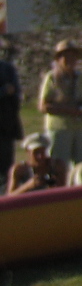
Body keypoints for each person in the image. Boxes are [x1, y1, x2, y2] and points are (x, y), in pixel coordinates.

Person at [38, 39, 82, 167]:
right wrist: (69, 110)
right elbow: (43, 106)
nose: (70, 60)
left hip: (80, 127)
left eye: (73, 56)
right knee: (58, 165)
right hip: (59, 128)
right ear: (58, 59)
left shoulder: (81, 77)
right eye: (66, 56)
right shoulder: (51, 78)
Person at [0, 36, 22, 179]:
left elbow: (16, 93)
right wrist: (3, 91)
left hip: (5, 124)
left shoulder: (8, 69)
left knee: (7, 167)